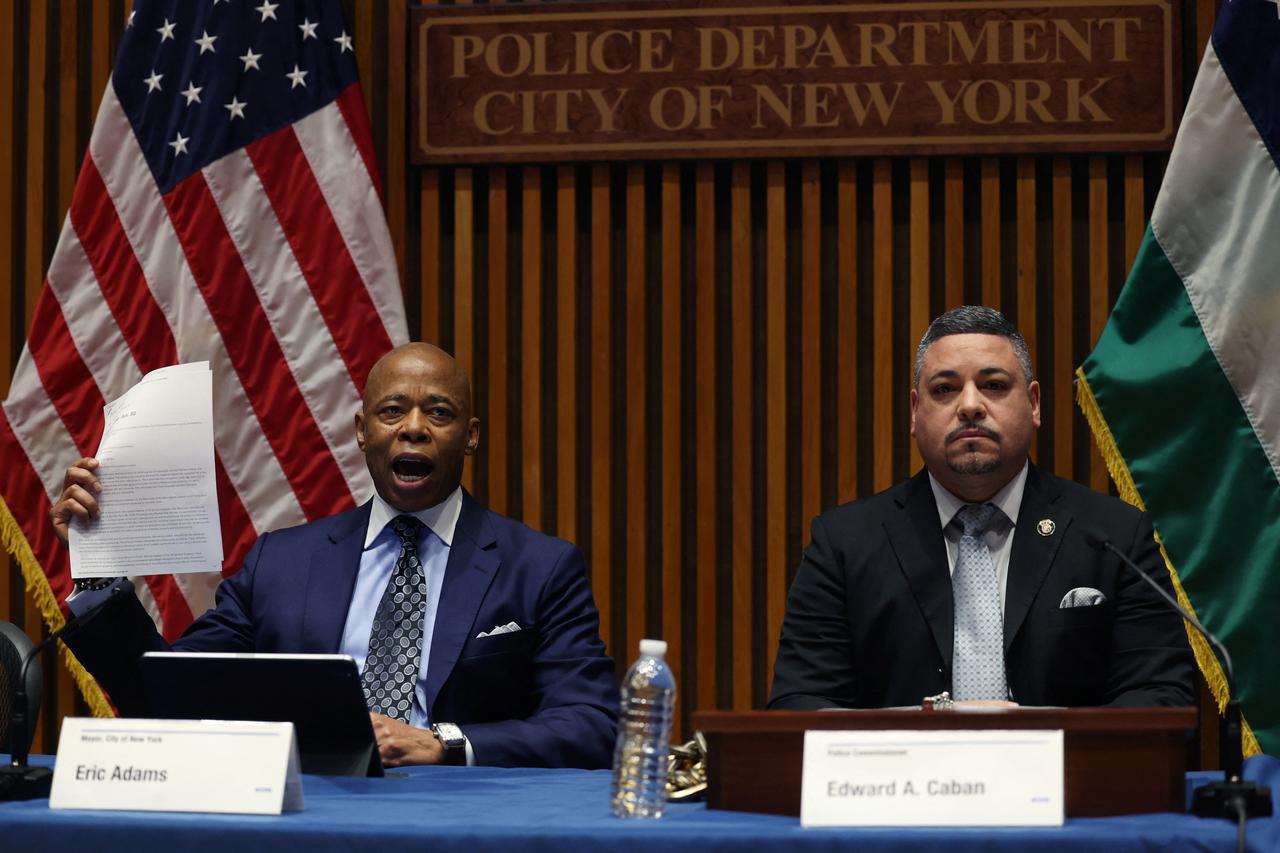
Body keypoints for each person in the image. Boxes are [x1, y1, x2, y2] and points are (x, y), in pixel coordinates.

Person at [51, 342, 618, 768]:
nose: (414, 429)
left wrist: (444, 742)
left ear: (470, 436)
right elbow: (170, 694)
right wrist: (99, 575)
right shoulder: (281, 563)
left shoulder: (540, 568)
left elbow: (591, 724)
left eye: (439, 414)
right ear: (362, 431)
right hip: (309, 811)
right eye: (392, 411)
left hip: (459, 816)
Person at [768, 306, 1195, 710]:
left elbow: (1159, 694)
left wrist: (1040, 746)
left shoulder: (1114, 536)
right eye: (945, 389)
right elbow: (802, 702)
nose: (970, 405)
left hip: (1062, 783)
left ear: (1033, 404)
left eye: (993, 385)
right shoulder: (844, 545)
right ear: (915, 412)